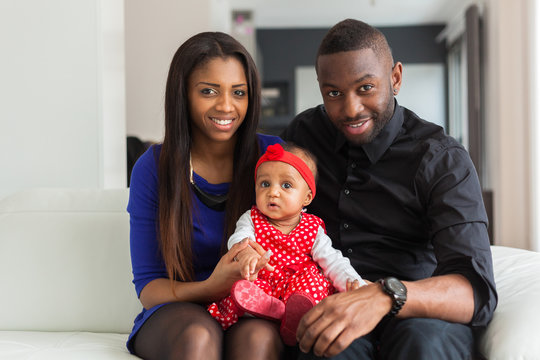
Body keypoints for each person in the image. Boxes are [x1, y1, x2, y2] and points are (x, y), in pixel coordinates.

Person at [281, 19, 498, 360]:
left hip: (416, 307)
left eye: (365, 87)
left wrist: (384, 295)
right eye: (333, 93)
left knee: (424, 345)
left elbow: (476, 291)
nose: (350, 109)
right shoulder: (305, 135)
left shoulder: (441, 158)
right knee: (324, 347)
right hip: (331, 301)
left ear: (395, 78)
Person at [127, 32, 283, 360]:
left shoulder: (273, 157)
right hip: (178, 311)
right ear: (183, 93)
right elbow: (149, 288)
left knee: (257, 339)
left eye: (238, 93)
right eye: (208, 91)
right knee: (198, 336)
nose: (226, 106)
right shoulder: (153, 168)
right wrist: (213, 286)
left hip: (253, 307)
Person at [207, 143, 365, 345]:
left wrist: (353, 282)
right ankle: (270, 309)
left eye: (286, 185)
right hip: (265, 284)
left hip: (298, 287)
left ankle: (296, 315)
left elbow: (333, 261)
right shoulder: (252, 218)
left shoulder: (312, 227)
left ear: (306, 197)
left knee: (314, 282)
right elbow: (239, 238)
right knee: (243, 286)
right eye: (265, 184)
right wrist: (245, 253)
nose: (273, 192)